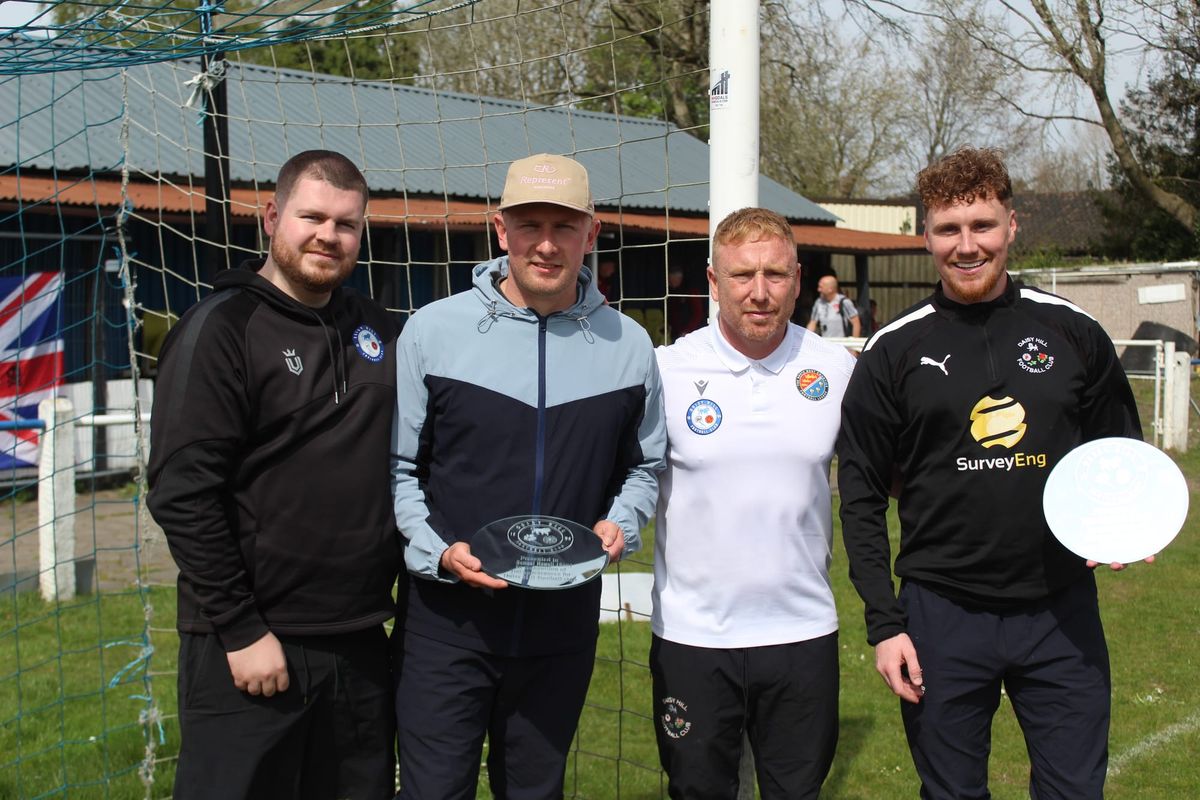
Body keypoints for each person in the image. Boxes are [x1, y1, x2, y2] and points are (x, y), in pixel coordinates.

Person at [836, 147, 1144, 799]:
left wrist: (1120, 527)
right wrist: (885, 625)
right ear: (925, 236)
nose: (967, 246)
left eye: (982, 225)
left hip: (1060, 610)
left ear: (1011, 225)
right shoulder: (894, 350)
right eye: (949, 229)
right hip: (941, 613)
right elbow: (860, 494)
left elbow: (1118, 449)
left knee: (1073, 791)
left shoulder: (1073, 333)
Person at [390, 152, 666, 799]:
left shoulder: (630, 348)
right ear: (500, 229)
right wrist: (439, 554)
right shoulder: (432, 333)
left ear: (591, 233)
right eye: (529, 225)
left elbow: (645, 467)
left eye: (564, 227)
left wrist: (620, 522)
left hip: (561, 629)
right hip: (446, 625)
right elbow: (401, 472)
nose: (546, 245)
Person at [147, 150, 401, 800]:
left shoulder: (379, 330)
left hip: (361, 643)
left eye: (346, 223)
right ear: (272, 216)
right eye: (311, 216)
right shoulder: (222, 329)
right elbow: (181, 492)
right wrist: (241, 629)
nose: (328, 235)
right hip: (254, 647)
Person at [651, 207, 854, 799]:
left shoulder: (835, 370)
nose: (759, 293)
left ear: (797, 277)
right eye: (742, 276)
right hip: (694, 638)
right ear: (714, 282)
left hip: (802, 634)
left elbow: (888, 480)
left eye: (775, 275)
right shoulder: (667, 370)